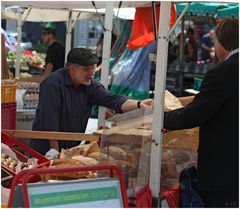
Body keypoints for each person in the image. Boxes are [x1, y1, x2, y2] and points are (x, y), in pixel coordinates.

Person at [164, 18, 239, 207]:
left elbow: (194, 115)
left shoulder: (224, 72)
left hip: (225, 175)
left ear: (223, 43)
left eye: (214, 42)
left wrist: (160, 119)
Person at [30, 47, 153, 155]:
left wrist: (139, 104)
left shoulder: (90, 86)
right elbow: (50, 121)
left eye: (92, 68)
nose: (91, 73)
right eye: (86, 69)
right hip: (44, 151)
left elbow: (112, 99)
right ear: (72, 69)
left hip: (69, 150)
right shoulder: (52, 84)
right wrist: (54, 151)